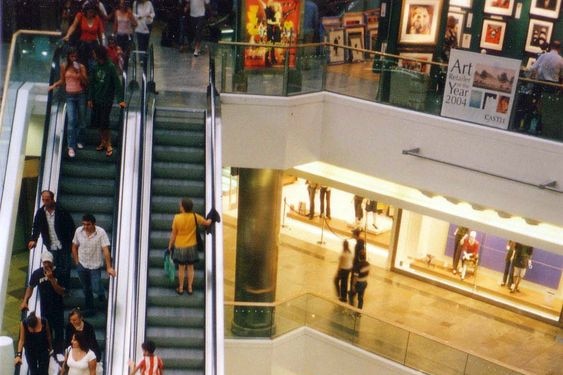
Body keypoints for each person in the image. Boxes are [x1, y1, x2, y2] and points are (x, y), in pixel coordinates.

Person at [27, 190, 76, 288]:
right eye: (43, 200)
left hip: (64, 245)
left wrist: (71, 243)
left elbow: (71, 227)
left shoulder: (62, 211)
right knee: (54, 267)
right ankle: (56, 286)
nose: (45, 202)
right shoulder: (40, 213)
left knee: (66, 267)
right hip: (51, 245)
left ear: (52, 199)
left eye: (47, 200)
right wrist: (34, 239)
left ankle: (65, 288)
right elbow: (36, 227)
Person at [20, 251, 66, 354]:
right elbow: (30, 287)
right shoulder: (37, 273)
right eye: (44, 262)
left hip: (57, 306)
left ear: (52, 262)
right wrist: (25, 301)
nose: (46, 265)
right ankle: (49, 350)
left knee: (58, 330)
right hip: (45, 307)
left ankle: (59, 351)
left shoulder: (59, 272)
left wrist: (51, 279)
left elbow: (61, 291)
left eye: (48, 262)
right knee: (46, 329)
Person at [71, 213, 117, 313]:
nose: (86, 227)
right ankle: (89, 308)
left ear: (93, 224)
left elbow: (105, 250)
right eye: (84, 224)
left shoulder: (101, 233)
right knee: (86, 288)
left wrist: (109, 267)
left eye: (88, 224)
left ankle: (101, 294)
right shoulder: (78, 231)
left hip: (95, 266)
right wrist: (77, 261)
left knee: (95, 286)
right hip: (82, 264)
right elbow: (74, 246)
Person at [49, 48, 88, 158]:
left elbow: (86, 81)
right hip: (70, 95)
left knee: (82, 120)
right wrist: (53, 85)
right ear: (68, 56)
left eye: (75, 56)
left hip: (80, 94)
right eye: (72, 56)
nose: (74, 58)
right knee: (71, 120)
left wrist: (79, 72)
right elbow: (62, 80)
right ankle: (71, 146)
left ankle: (80, 140)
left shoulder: (81, 67)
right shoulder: (64, 66)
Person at [88, 44, 126, 157]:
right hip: (96, 99)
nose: (93, 55)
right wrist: (90, 98)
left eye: (95, 53)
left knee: (105, 121)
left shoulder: (110, 67)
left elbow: (117, 84)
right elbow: (92, 83)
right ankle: (103, 141)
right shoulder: (95, 67)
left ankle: (108, 143)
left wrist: (121, 100)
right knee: (99, 121)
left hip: (106, 99)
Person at [168, 198, 212, 295]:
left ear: (183, 207)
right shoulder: (195, 216)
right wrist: (211, 217)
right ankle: (190, 288)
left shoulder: (177, 218)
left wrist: (170, 245)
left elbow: (174, 234)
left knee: (181, 268)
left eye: (180, 205)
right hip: (192, 246)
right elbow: (207, 223)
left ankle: (180, 288)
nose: (180, 206)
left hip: (180, 247)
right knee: (191, 267)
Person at [63, 1, 105, 69]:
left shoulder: (97, 18)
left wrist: (101, 45)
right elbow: (73, 26)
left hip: (93, 45)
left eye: (92, 12)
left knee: (93, 64)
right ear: (86, 11)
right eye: (89, 11)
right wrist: (68, 35)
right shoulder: (80, 15)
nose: (91, 14)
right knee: (81, 64)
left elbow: (99, 33)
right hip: (82, 44)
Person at [113, 0, 137, 68]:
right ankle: (120, 68)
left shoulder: (129, 13)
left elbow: (135, 24)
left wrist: (130, 16)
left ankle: (125, 68)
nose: (122, 5)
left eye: (124, 4)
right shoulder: (117, 12)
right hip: (119, 35)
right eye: (121, 4)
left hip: (127, 36)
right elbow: (115, 24)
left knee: (126, 53)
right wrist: (113, 34)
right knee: (119, 52)